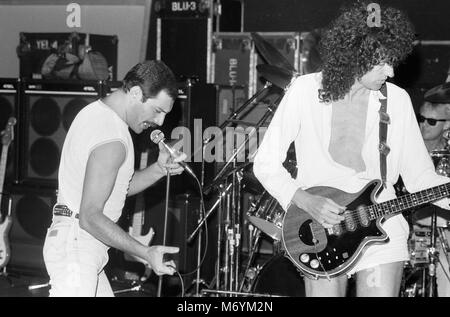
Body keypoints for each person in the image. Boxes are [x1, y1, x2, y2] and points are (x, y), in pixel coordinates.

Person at [253, 2, 450, 297]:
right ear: (357, 55)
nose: (392, 71)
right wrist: (304, 200)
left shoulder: (396, 101)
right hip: (319, 230)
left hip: (382, 231)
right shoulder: (305, 91)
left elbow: (421, 178)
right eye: (383, 62)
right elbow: (265, 163)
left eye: (393, 61)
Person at [43, 60, 186, 296]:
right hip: (78, 248)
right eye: (158, 111)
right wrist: (145, 252)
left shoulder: (97, 115)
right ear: (136, 93)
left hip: (79, 245)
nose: (159, 122)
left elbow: (115, 188)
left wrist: (159, 169)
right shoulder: (112, 139)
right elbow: (90, 217)